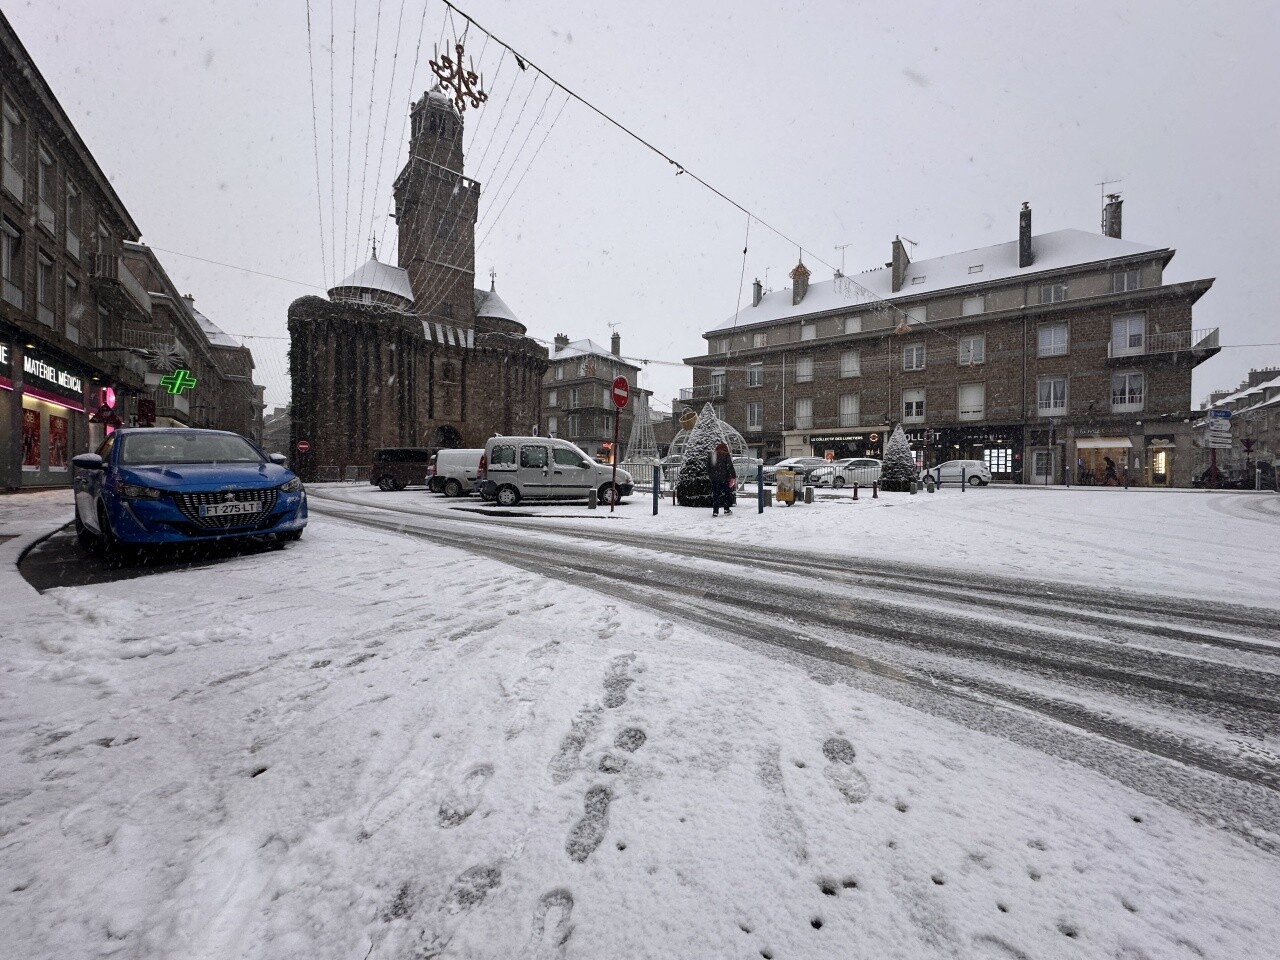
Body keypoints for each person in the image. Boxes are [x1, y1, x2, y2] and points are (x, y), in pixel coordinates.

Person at [709, 442, 737, 516]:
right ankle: (726, 509)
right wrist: (733, 475)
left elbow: (708, 467)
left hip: (715, 479)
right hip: (724, 478)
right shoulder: (726, 454)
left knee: (716, 495)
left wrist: (711, 476)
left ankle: (715, 511)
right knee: (726, 494)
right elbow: (729, 466)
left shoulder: (713, 455)